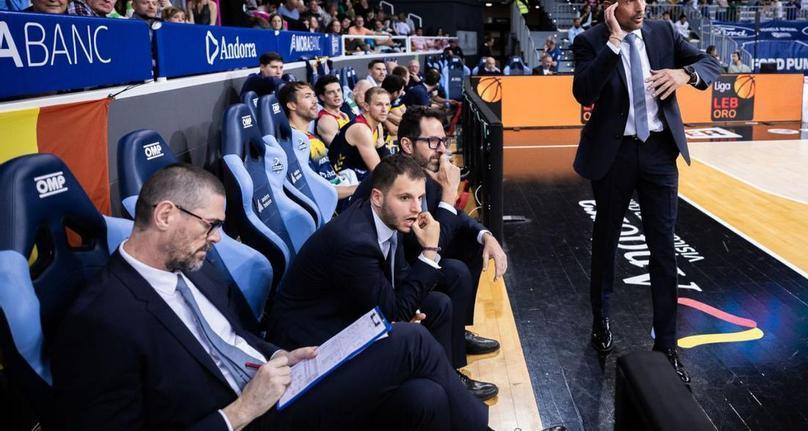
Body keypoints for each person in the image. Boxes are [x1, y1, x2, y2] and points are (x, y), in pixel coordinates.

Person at [52, 163, 488, 430]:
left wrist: (284, 355)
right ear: (166, 215)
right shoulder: (102, 318)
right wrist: (240, 412)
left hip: (275, 380)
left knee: (424, 399)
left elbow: (237, 336)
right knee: (409, 340)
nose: (219, 239)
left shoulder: (192, 269)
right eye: (211, 225)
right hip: (249, 416)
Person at [571, 0, 719, 383]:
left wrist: (684, 75)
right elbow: (584, 91)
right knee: (606, 242)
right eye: (631, 1)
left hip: (658, 154)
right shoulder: (590, 41)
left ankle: (666, 343)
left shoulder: (663, 33)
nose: (641, 6)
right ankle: (601, 321)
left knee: (664, 250)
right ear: (612, 8)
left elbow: (710, 62)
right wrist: (615, 42)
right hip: (614, 155)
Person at [268, 154, 499, 402]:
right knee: (416, 341)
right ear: (377, 197)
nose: (417, 208)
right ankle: (444, 392)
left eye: (419, 198)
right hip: (316, 334)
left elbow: (398, 284)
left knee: (438, 305)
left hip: (352, 306)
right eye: (405, 198)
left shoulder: (388, 217)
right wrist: (429, 251)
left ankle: (448, 381)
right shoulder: (354, 241)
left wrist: (404, 310)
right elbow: (393, 313)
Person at [350, 106, 508, 358]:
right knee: (455, 271)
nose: (442, 150)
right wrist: (449, 192)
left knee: (473, 244)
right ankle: (451, 355)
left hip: (408, 256)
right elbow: (436, 242)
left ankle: (456, 332)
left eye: (443, 141)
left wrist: (486, 235)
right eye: (433, 142)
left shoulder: (421, 174)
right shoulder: (392, 180)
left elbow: (455, 222)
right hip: (384, 274)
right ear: (407, 145)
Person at [280, 82, 359, 198]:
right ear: (292, 105)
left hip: (340, 189)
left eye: (314, 96)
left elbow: (329, 174)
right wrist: (356, 189)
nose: (315, 101)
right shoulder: (295, 143)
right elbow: (316, 191)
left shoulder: (310, 136)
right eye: (307, 96)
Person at [329, 86, 391, 181]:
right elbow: (377, 171)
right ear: (366, 106)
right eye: (379, 105)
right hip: (340, 179)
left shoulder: (377, 124)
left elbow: (384, 154)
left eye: (387, 104)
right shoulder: (361, 130)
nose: (384, 109)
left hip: (356, 173)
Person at [315, 74, 351, 146]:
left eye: (338, 90)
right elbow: (338, 149)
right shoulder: (326, 120)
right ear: (322, 97)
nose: (337, 95)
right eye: (331, 92)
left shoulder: (343, 115)